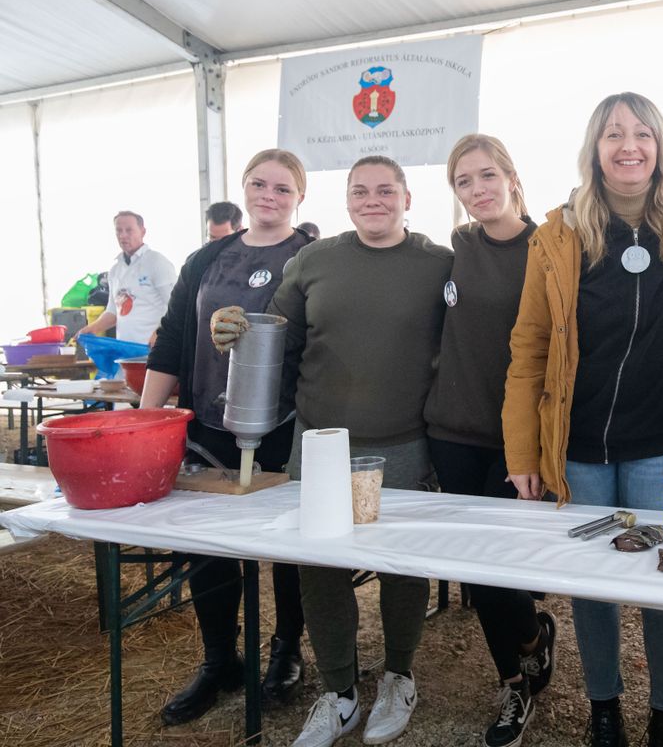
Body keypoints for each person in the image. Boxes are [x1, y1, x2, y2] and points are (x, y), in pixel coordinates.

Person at [504, 92, 663, 747]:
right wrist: (521, 456)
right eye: (614, 134)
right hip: (580, 452)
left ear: (661, 146)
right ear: (594, 149)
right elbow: (529, 348)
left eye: (642, 133)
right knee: (591, 586)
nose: (629, 146)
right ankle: (604, 708)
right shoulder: (559, 235)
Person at [261, 155, 452, 747]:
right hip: (320, 442)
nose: (374, 200)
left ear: (407, 198)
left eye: (386, 190)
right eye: (361, 191)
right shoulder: (314, 260)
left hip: (405, 441)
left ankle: (399, 676)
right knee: (319, 567)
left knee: (402, 565)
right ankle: (338, 691)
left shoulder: (439, 264)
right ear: (346, 201)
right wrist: (235, 324)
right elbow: (274, 334)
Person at [142, 150, 313, 724]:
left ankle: (287, 649)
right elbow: (171, 339)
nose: (269, 195)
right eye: (259, 184)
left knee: (290, 544)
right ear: (243, 189)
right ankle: (220, 661)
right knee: (205, 545)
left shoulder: (311, 256)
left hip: (283, 426)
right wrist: (150, 419)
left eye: (282, 188)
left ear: (300, 196)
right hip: (208, 423)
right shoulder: (209, 258)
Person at [422, 134, 555, 747]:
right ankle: (516, 675)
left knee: (496, 567)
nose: (477, 191)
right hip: (451, 429)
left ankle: (528, 646)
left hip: (515, 436)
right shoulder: (456, 248)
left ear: (511, 177)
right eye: (463, 182)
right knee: (475, 574)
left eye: (485, 176)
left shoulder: (550, 247)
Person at [78, 211, 176, 345]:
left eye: (129, 230)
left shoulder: (157, 262)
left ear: (143, 231)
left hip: (155, 350)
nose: (123, 235)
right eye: (118, 230)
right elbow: (113, 312)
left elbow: (175, 305)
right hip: (125, 351)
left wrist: (159, 332)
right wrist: (91, 328)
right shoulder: (115, 271)